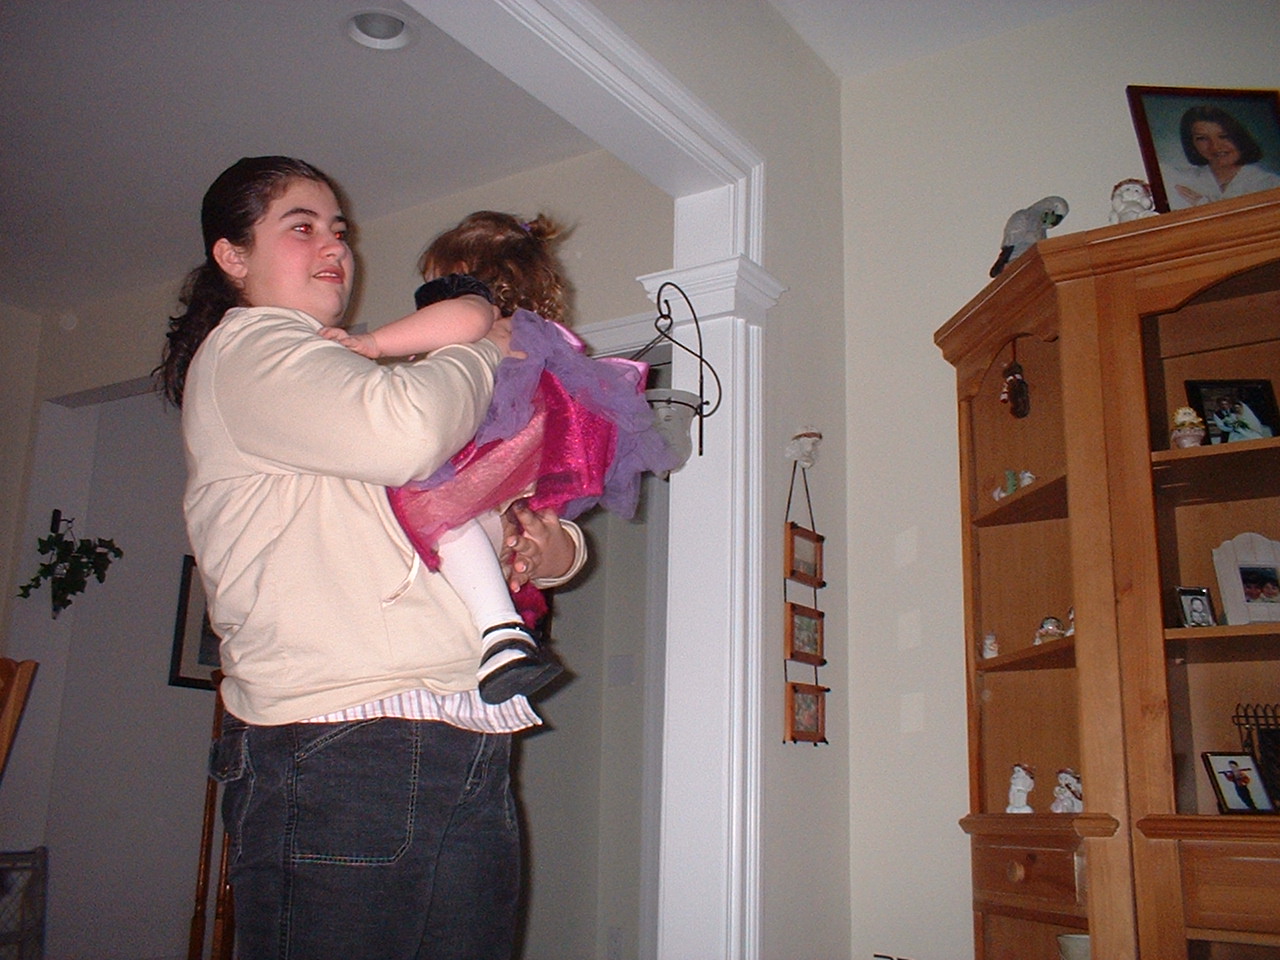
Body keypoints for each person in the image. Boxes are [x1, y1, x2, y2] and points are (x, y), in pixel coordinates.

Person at [155, 156, 584, 960]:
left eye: (339, 229)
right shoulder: (249, 348)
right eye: (302, 226)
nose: (335, 246)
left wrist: (547, 544)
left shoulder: (344, 373)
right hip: (343, 745)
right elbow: (407, 435)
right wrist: (485, 341)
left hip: (465, 734)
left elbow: (490, 511)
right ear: (232, 255)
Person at [323, 211, 680, 703]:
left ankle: (500, 629)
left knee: (430, 507)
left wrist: (371, 343)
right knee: (468, 525)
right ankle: (499, 632)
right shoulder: (535, 341)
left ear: (466, 278)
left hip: (494, 456)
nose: (429, 305)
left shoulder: (488, 325)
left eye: (435, 287)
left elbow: (462, 319)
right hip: (508, 483)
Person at [1165, 104, 1280, 210]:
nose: (1215, 146)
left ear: (1239, 137)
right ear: (1191, 143)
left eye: (1223, 136)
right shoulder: (1180, 180)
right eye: (1202, 138)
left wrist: (1206, 206)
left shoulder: (1270, 183)